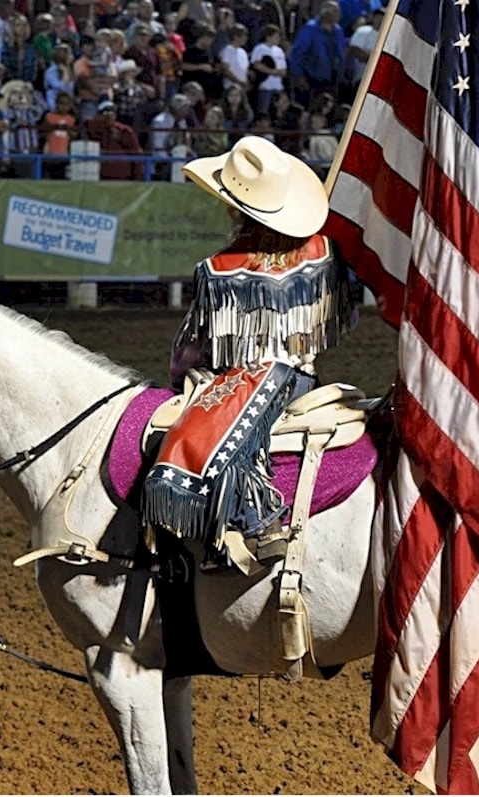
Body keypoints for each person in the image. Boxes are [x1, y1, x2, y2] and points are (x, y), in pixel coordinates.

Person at [142, 135, 356, 572]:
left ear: (233, 205)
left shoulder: (219, 268)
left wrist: (188, 375)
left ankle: (246, 522)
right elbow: (341, 318)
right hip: (302, 374)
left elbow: (193, 349)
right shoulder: (323, 251)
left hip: (256, 377)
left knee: (194, 435)